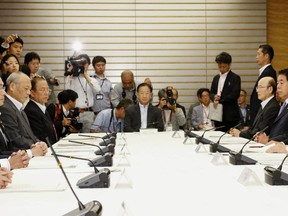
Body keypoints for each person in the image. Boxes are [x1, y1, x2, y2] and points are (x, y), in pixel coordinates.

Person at [0, 72, 47, 158]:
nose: (29, 93)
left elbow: (30, 135)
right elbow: (14, 139)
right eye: (26, 88)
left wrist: (39, 143)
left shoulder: (19, 107)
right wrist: (34, 147)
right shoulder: (5, 107)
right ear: (12, 86)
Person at [65, 53, 101, 132]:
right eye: (80, 63)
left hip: (88, 113)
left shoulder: (92, 80)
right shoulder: (71, 78)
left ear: (88, 64)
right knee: (73, 137)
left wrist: (84, 74)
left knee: (87, 137)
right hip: (74, 113)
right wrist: (71, 75)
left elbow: (97, 91)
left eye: (85, 63)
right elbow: (67, 93)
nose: (82, 65)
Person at [0, 77, 30, 170]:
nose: (3, 92)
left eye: (2, 88)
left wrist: (15, 155)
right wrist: (8, 163)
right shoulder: (6, 109)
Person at [255, 68, 288, 144]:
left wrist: (269, 140)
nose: (278, 86)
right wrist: (267, 137)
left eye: (281, 83)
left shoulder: (275, 106)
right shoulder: (284, 105)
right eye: (277, 83)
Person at [210, 51, 241, 132]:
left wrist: (220, 98)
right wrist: (214, 97)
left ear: (229, 64)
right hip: (217, 113)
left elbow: (235, 94)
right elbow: (211, 92)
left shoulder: (235, 78)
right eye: (220, 66)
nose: (222, 69)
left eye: (224, 66)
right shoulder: (216, 78)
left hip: (230, 115)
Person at [24, 76, 58, 144]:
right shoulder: (31, 111)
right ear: (32, 93)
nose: (46, 93)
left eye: (47, 89)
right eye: (42, 90)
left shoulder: (42, 107)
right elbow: (41, 137)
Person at [250, 44, 277, 126]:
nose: (256, 57)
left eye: (258, 54)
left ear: (266, 56)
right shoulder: (265, 71)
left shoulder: (268, 72)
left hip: (261, 114)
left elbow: (265, 96)